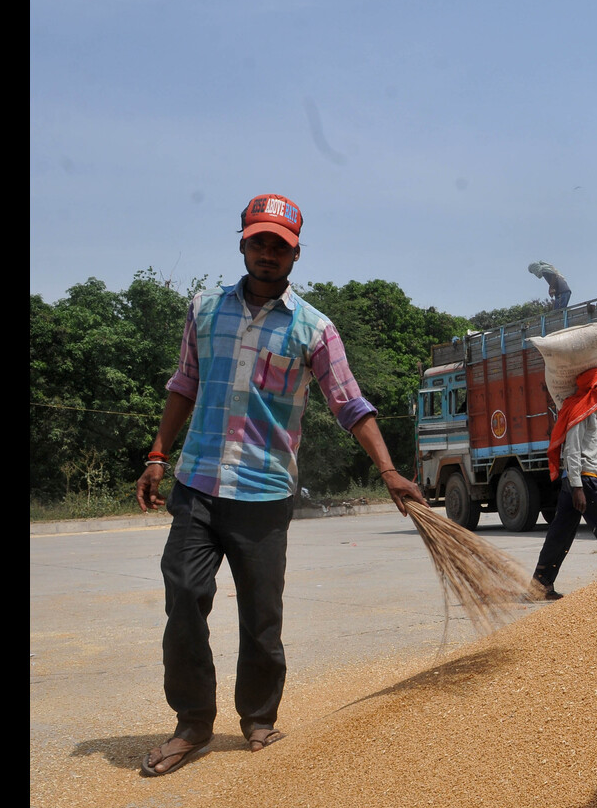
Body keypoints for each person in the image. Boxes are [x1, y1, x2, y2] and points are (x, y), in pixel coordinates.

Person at [134, 193, 428, 778]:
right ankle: (192, 723)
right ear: (242, 242)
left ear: (296, 254)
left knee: (262, 618)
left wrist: (389, 471)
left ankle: (258, 720)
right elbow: (184, 384)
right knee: (185, 598)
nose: (268, 253)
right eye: (258, 241)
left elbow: (350, 404)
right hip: (197, 483)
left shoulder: (314, 329)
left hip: (264, 492)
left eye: (280, 246)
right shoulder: (204, 309)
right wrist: (158, 454)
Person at [530, 365, 597, 600]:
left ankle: (540, 584)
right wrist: (578, 487)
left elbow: (591, 438)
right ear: (594, 387)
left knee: (561, 533)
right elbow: (572, 450)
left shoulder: (586, 410)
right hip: (584, 481)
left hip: (576, 482)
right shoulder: (580, 410)